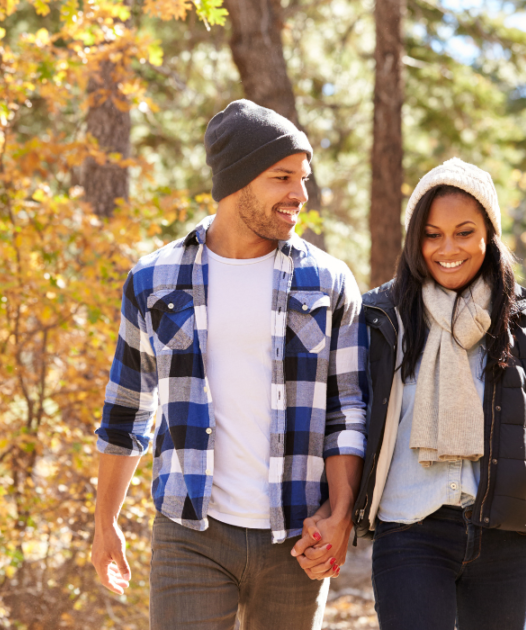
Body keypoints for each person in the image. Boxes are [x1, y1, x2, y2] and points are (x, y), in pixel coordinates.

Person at [90, 99, 368, 630]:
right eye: (282, 177)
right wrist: (105, 523)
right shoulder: (154, 280)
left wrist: (339, 515)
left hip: (296, 536)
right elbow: (128, 409)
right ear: (236, 182)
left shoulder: (328, 281)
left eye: (304, 178)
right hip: (189, 533)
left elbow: (347, 410)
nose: (300, 194)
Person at [353, 158, 526, 629]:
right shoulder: (382, 320)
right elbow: (345, 422)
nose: (447, 248)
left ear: (490, 234)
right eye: (432, 234)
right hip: (409, 534)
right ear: (414, 239)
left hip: (505, 541)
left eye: (464, 232)